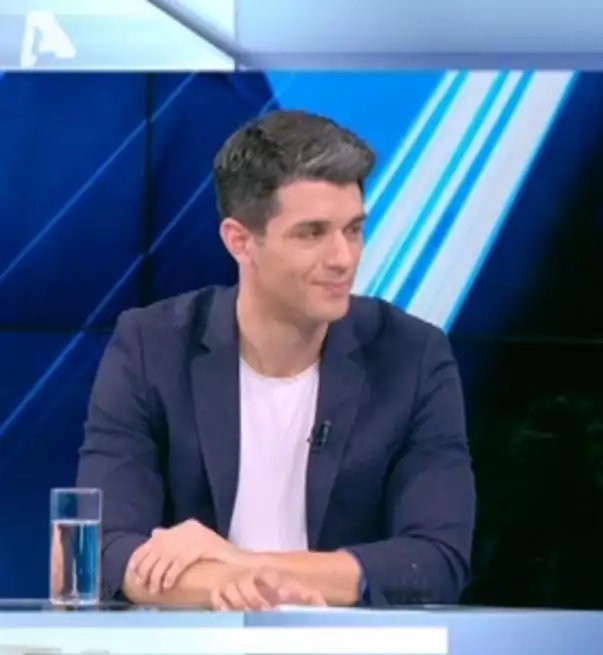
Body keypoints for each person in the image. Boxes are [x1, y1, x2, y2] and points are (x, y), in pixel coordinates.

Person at [75, 109, 476, 609]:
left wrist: (242, 564)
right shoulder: (151, 347)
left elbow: (436, 561)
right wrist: (235, 587)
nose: (343, 258)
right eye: (312, 233)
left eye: (353, 230)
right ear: (239, 241)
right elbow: (105, 551)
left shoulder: (412, 356)